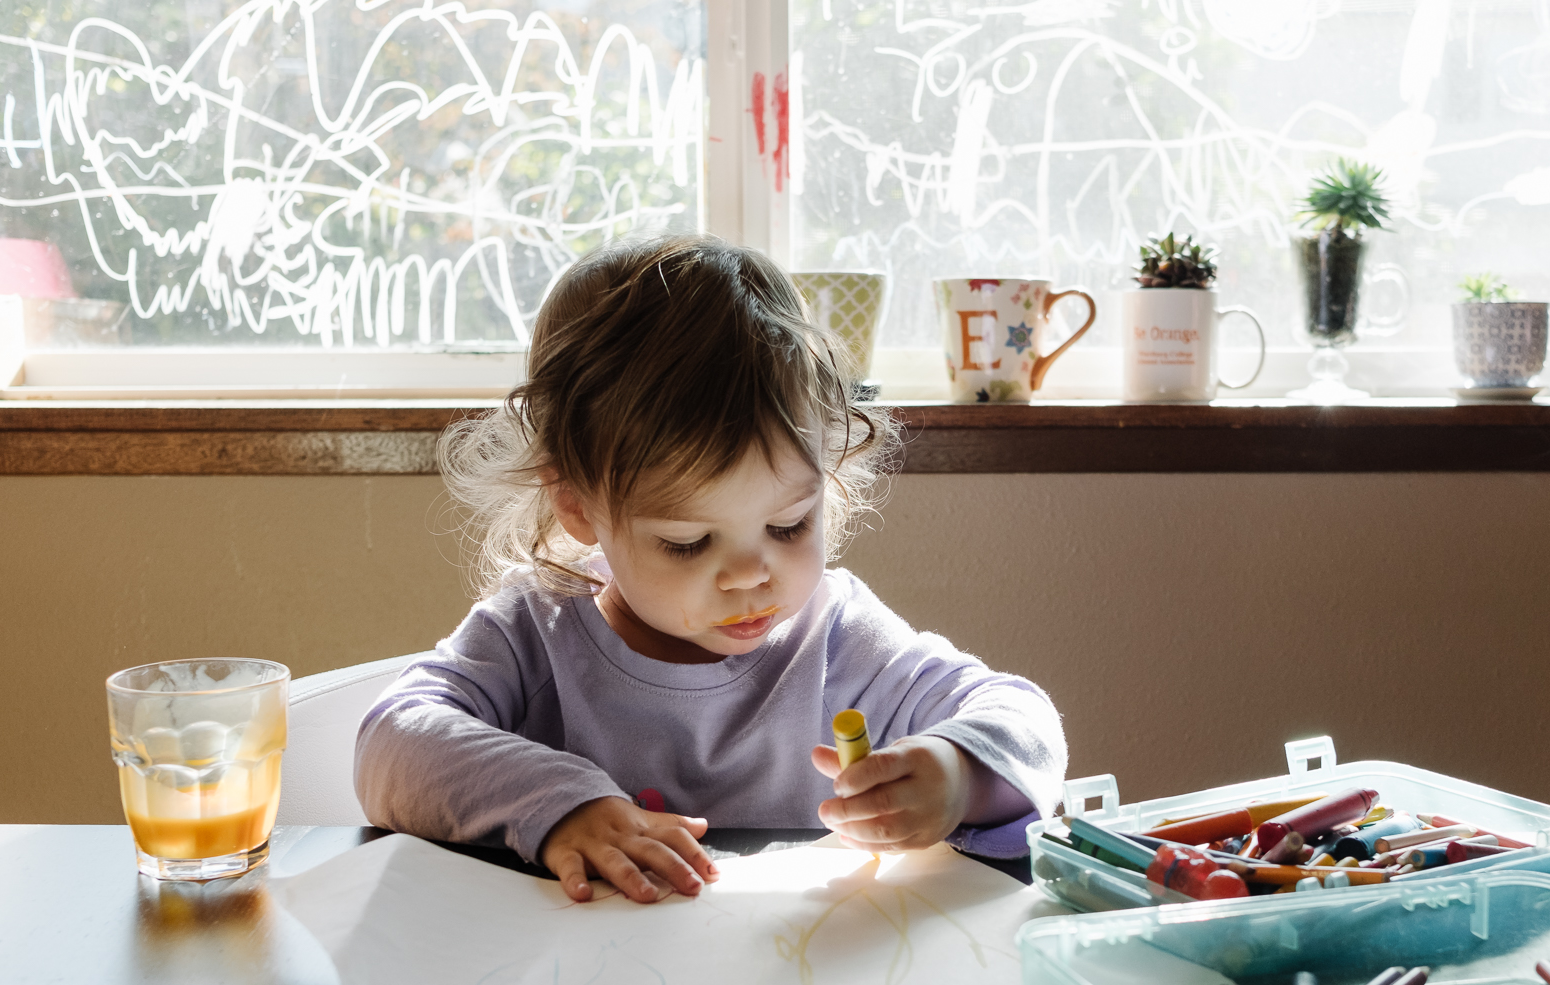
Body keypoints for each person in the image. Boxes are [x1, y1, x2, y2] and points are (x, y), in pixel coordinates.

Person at [355, 235, 1066, 904]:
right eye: (690, 543)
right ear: (576, 502)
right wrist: (559, 802)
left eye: (788, 525)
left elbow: (1025, 721)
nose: (751, 576)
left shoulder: (838, 635)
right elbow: (391, 742)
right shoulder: (534, 629)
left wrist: (957, 772)